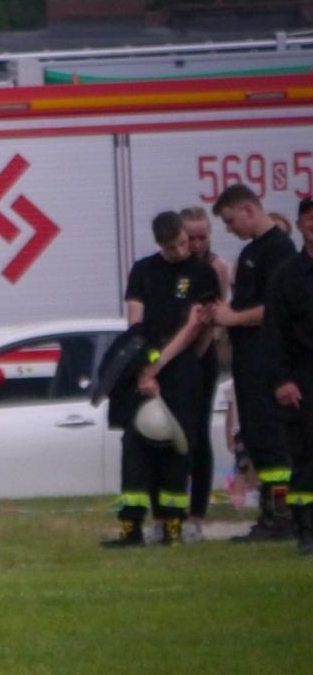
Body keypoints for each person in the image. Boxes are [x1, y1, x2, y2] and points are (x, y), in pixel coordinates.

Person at [103, 212, 218, 547]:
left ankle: (172, 526)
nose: (182, 250)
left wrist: (159, 365)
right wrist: (145, 367)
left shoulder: (201, 271)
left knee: (177, 447)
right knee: (135, 445)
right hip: (143, 366)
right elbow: (135, 326)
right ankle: (131, 527)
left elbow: (194, 327)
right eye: (173, 247)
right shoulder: (143, 271)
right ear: (159, 243)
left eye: (184, 242)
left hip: (181, 369)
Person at [211, 185, 297, 541]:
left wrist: (231, 318)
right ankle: (268, 515)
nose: (229, 229)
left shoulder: (279, 250)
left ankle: (281, 517)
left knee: (271, 439)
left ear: (249, 209)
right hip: (248, 361)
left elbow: (274, 309)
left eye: (231, 220)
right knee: (257, 439)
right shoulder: (251, 253)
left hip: (266, 361)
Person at [263, 196, 313, 554]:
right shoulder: (287, 278)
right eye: (309, 219)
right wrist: (282, 381)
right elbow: (274, 335)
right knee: (306, 460)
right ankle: (306, 530)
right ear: (299, 225)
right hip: (302, 382)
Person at [178, 205, 231, 539]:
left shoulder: (216, 266)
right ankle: (172, 506)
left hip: (202, 353)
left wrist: (192, 358)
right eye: (191, 237)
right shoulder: (174, 266)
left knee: (198, 433)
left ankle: (197, 512)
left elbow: (214, 317)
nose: (197, 244)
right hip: (175, 352)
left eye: (202, 237)